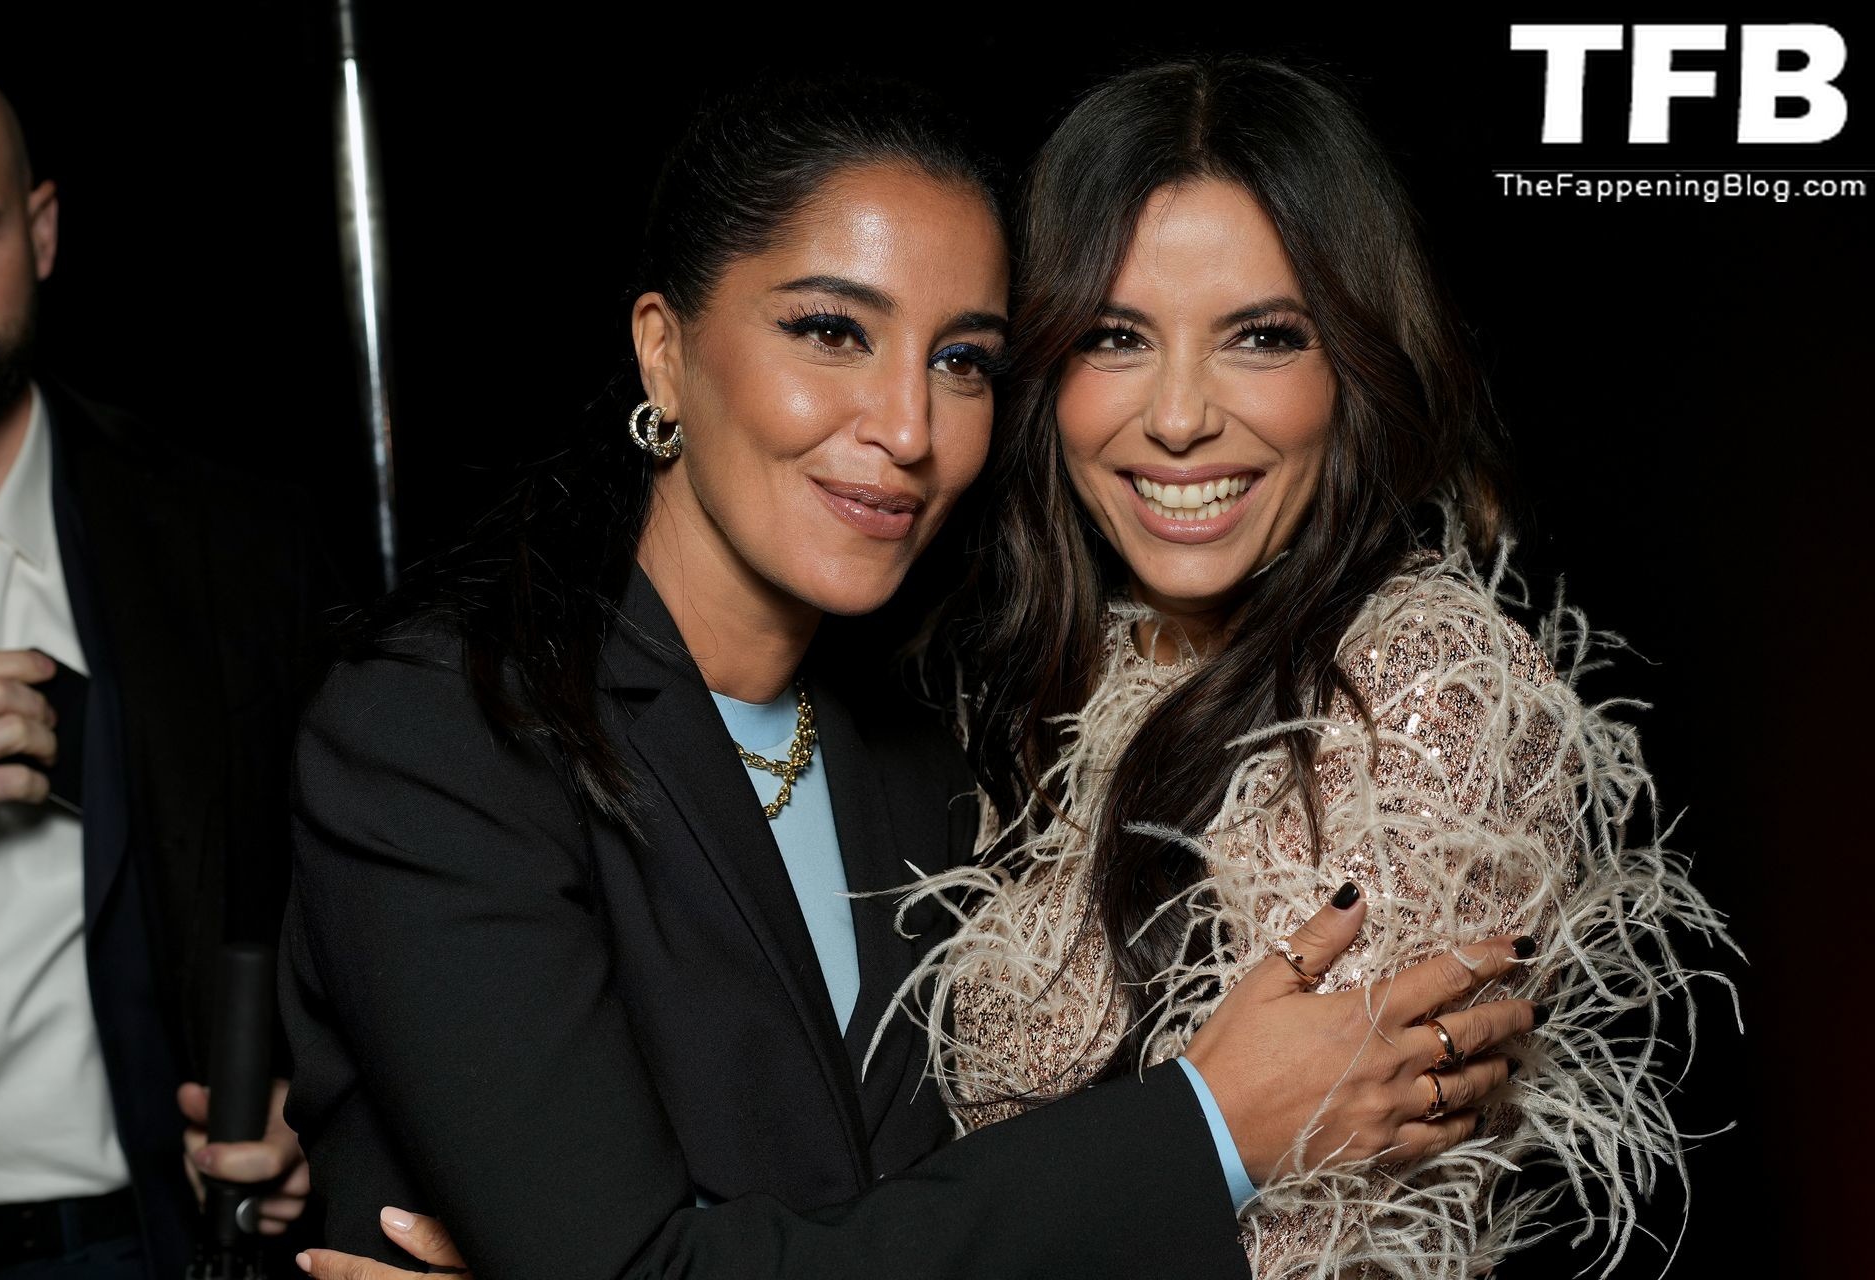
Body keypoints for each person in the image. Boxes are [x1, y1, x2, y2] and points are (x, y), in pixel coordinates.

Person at [281, 76, 1540, 1280]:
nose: (906, 427)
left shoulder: (935, 741)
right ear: (664, 352)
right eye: (832, 331)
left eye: (963, 360)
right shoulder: (442, 730)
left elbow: (917, 1212)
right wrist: (1210, 1124)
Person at [894, 55, 1735, 1279]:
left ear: (1355, 359)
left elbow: (1322, 1247)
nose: (1179, 416)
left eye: (1262, 337)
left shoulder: (1427, 692)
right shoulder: (1033, 678)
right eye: (1116, 336)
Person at [0, 60, 332, 1277]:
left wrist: (308, 1115)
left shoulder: (232, 551)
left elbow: (339, 915)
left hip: (140, 1245)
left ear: (41, 232)